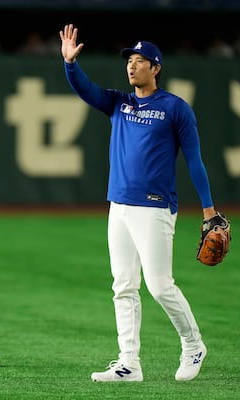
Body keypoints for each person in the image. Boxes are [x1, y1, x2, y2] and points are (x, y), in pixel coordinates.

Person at [59, 24, 217, 382]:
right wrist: (70, 64)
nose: (132, 66)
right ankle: (128, 363)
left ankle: (193, 344)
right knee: (123, 284)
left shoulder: (175, 109)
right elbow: (87, 90)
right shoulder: (120, 102)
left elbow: (194, 160)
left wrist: (208, 209)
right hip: (120, 206)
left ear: (156, 67)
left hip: (155, 206)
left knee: (160, 285)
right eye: (129, 60)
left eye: (140, 60)